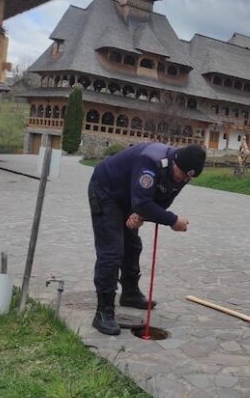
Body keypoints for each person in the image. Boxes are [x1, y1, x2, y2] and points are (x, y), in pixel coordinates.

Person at [87, 142, 206, 335]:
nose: (183, 179)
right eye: (182, 174)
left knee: (133, 246)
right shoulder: (150, 161)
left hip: (130, 197)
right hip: (106, 189)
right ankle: (103, 311)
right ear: (175, 162)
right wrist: (173, 220)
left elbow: (161, 201)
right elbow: (143, 202)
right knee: (112, 250)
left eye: (188, 177)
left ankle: (130, 293)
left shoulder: (182, 173)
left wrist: (140, 216)